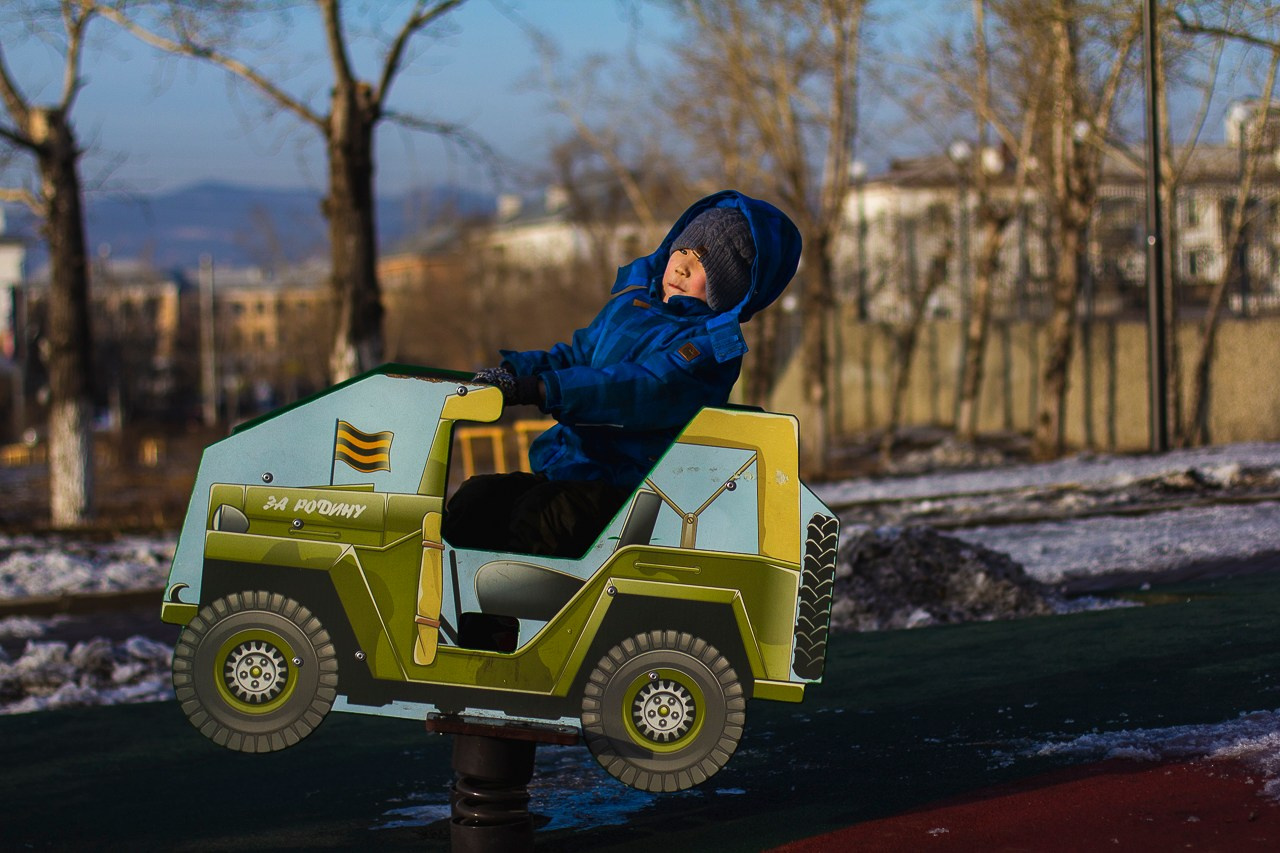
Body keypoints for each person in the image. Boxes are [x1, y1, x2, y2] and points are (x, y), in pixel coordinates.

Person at [442, 189, 802, 557]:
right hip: (574, 468)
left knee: (542, 519)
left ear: (730, 286)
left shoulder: (712, 346)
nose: (681, 266)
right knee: (478, 500)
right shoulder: (631, 308)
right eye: (682, 250)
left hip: (636, 493)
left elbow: (642, 388)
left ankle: (511, 614)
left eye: (703, 262)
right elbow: (576, 355)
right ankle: (441, 603)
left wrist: (543, 388)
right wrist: (512, 373)